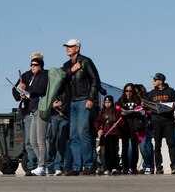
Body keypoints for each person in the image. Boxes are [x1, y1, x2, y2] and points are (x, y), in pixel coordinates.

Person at [62, 39, 101, 176]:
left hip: (84, 100)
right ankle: (77, 166)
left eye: (70, 46)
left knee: (82, 132)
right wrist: (70, 71)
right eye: (66, 46)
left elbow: (95, 80)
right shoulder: (67, 65)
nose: (67, 48)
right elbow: (61, 80)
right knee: (73, 135)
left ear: (77, 48)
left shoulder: (86, 61)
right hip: (71, 102)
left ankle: (88, 165)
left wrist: (91, 98)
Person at [146, 73, 175, 174]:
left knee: (171, 143)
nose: (153, 82)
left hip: (168, 121)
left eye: (155, 80)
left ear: (160, 81)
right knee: (157, 144)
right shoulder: (152, 93)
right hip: (156, 120)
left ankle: (174, 165)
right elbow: (148, 105)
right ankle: (159, 166)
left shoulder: (170, 91)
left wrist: (174, 104)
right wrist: (145, 104)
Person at [26, 56, 49, 176]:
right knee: (32, 140)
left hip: (41, 110)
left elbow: (41, 89)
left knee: (41, 139)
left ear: (40, 66)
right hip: (34, 110)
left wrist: (28, 89)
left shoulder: (43, 76)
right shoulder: (33, 77)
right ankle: (43, 164)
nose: (32, 67)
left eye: (35, 65)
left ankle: (42, 166)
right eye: (31, 65)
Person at [117, 83, 143, 174]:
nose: (128, 93)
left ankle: (133, 167)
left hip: (134, 125)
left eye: (130, 91)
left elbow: (141, 110)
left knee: (135, 147)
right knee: (125, 147)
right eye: (126, 91)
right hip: (124, 126)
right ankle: (125, 167)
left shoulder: (137, 100)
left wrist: (138, 110)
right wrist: (121, 113)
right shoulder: (121, 100)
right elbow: (116, 110)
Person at [47, 79, 72, 176]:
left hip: (63, 117)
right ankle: (50, 164)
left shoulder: (68, 87)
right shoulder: (51, 86)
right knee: (51, 139)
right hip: (53, 116)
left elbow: (69, 100)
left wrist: (62, 109)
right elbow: (46, 99)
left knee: (61, 141)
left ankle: (58, 165)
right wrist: (52, 104)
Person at [95, 95, 122, 175]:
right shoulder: (102, 112)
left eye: (109, 102)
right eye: (106, 102)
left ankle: (115, 167)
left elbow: (121, 121)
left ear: (112, 103)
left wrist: (117, 125)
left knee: (113, 151)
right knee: (104, 152)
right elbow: (96, 122)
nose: (107, 104)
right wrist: (98, 129)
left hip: (113, 134)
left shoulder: (116, 112)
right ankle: (106, 167)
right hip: (105, 135)